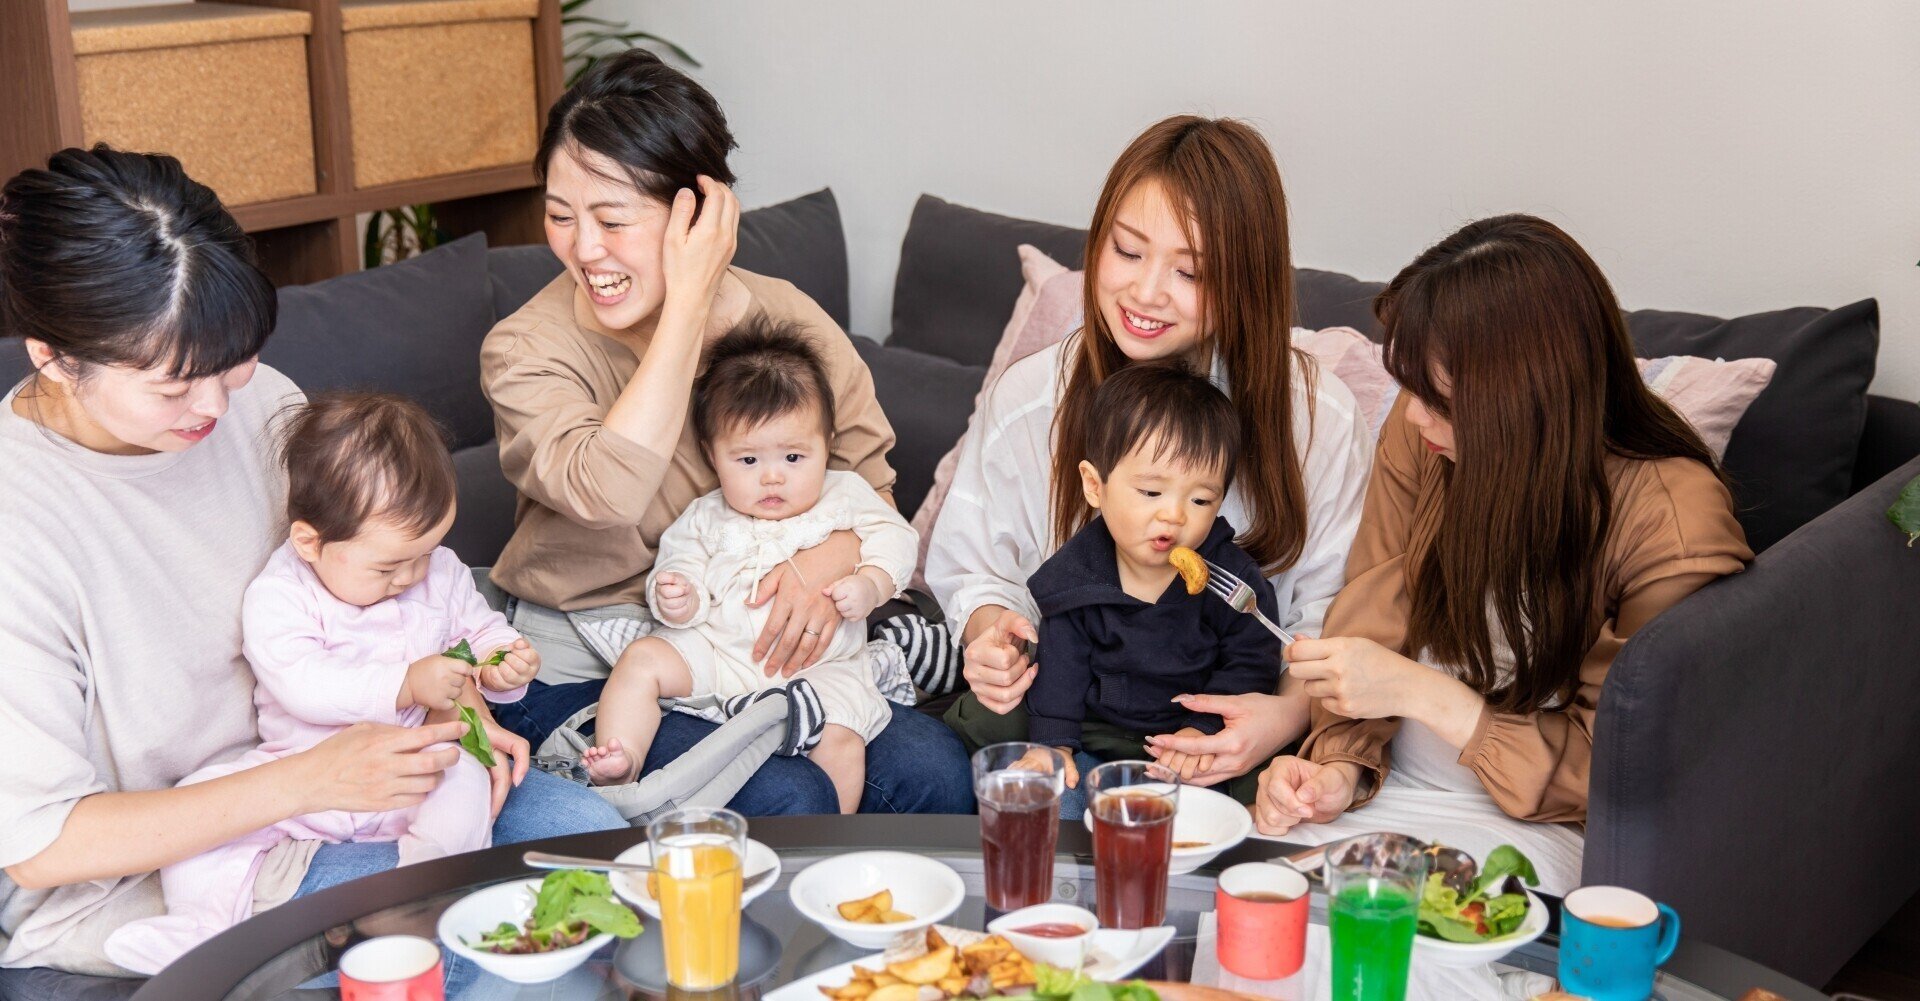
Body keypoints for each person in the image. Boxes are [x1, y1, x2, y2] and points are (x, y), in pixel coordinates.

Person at [0, 146, 622, 978]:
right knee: (506, 943)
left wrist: (453, 705)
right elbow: (42, 846)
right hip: (170, 873)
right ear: (52, 356)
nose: (217, 404)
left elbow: (365, 597)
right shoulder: (22, 524)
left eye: (232, 360)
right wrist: (306, 779)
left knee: (611, 852)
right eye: (174, 383)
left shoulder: (262, 405)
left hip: (356, 780)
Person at [1168, 214, 1753, 895]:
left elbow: (1619, 770)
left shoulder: (1673, 522)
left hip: (1540, 829)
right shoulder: (1424, 440)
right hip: (1381, 798)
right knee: (1228, 912)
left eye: (1439, 398)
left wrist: (1424, 692)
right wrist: (1338, 769)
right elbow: (1373, 617)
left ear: (1528, 396)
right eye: (1409, 386)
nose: (1411, 416)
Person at [481, 49, 971, 814]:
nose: (583, 249)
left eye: (612, 219)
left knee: (937, 769)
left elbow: (867, 478)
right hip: (588, 669)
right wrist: (687, 303)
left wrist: (827, 563)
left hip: (762, 655)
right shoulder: (525, 350)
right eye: (559, 214)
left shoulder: (787, 321)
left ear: (699, 213)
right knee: (788, 795)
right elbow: (606, 489)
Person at [924, 115, 1372, 788]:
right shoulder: (1032, 396)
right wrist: (994, 636)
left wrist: (1280, 718)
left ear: (1247, 280)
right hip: (1064, 710)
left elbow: (1328, 615)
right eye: (1128, 251)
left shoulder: (1320, 418)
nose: (1145, 292)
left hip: (1218, 727)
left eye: (1189, 271)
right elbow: (979, 565)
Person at [105, 392, 538, 973]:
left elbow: (478, 629)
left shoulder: (435, 569)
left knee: (463, 780)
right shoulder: (281, 595)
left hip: (414, 765)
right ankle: (202, 929)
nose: (412, 577)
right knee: (199, 813)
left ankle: (430, 890)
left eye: (427, 553)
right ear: (311, 543)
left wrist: (502, 662)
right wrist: (406, 684)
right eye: (388, 567)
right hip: (304, 776)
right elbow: (302, 685)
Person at [584, 320, 917, 814]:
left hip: (819, 666)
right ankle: (621, 760)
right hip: (722, 654)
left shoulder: (844, 496)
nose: (772, 476)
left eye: (794, 455)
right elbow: (679, 565)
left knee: (841, 739)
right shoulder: (705, 514)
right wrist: (679, 596)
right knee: (643, 661)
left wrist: (870, 583)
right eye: (747, 461)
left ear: (827, 442)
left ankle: (830, 842)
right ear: (712, 456)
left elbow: (897, 537)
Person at [1021, 365, 1281, 816]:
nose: (1175, 516)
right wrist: (1056, 744)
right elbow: (1061, 667)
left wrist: (1201, 730)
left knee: (1252, 797)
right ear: (1094, 486)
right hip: (1097, 729)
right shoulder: (1077, 577)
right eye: (1150, 492)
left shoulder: (1232, 582)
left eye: (1200, 500)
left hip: (1190, 740)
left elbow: (1251, 660)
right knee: (1052, 794)